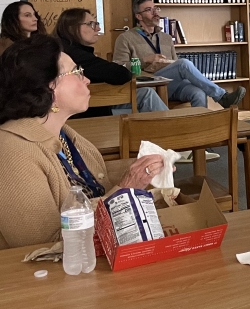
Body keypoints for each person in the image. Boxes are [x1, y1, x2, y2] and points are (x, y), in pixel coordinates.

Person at [0, 35, 165, 250]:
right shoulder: (14, 152)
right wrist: (125, 190)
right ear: (49, 86)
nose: (86, 79)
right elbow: (41, 245)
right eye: (76, 72)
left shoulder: (66, 135)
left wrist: (144, 169)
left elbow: (94, 182)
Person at [113, 0, 245, 109]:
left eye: (156, 8)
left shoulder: (166, 38)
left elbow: (176, 67)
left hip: (170, 85)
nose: (155, 12)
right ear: (139, 16)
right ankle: (222, 96)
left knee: (198, 92)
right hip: (147, 86)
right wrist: (144, 60)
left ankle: (202, 134)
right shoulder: (125, 38)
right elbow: (118, 68)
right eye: (149, 10)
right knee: (183, 64)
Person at [55, 8, 168, 117]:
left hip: (94, 104)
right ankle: (176, 131)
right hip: (88, 112)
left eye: (97, 24)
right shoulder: (72, 54)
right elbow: (121, 74)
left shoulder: (66, 48)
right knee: (147, 99)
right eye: (91, 24)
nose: (98, 29)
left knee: (147, 95)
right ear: (71, 28)